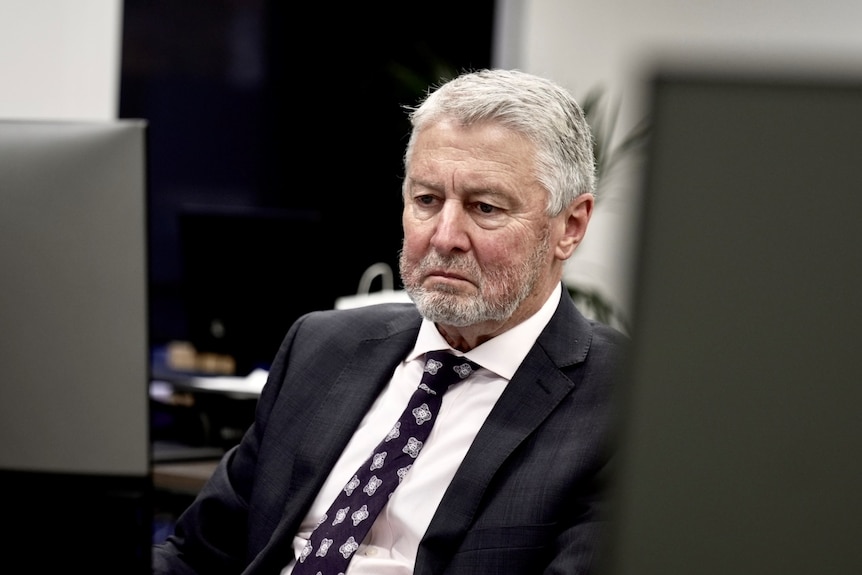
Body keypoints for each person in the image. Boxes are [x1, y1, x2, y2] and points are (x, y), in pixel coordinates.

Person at [153, 68, 628, 574]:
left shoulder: (626, 403)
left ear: (569, 227)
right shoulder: (321, 347)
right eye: (426, 200)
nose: (445, 236)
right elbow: (195, 555)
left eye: (484, 207)